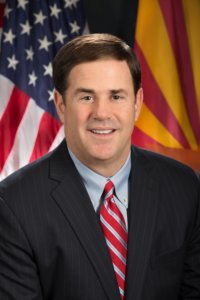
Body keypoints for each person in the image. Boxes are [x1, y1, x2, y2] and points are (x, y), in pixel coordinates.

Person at [0, 33, 199, 300]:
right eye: (86, 97)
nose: (102, 113)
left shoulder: (184, 188)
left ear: (137, 103)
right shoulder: (14, 204)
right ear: (61, 104)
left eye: (116, 96)